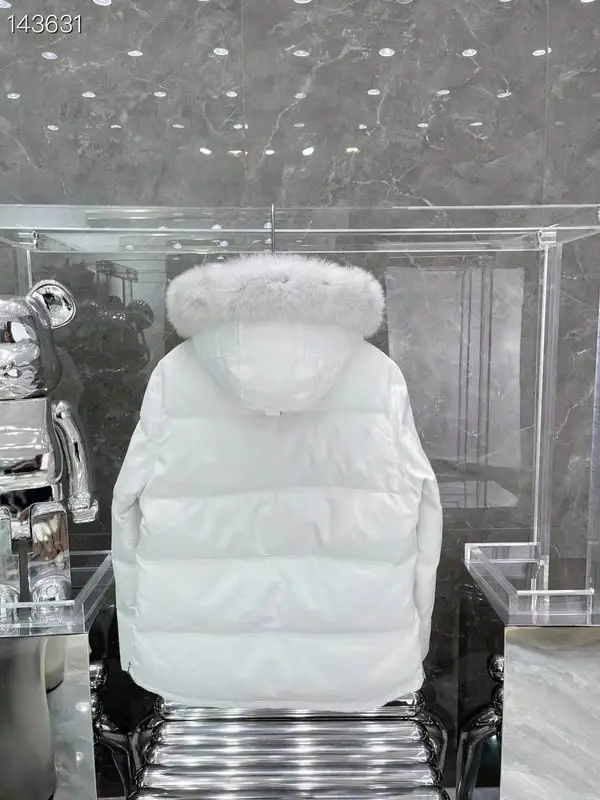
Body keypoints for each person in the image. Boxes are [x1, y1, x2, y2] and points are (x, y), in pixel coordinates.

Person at [112, 253, 442, 711]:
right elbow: (425, 505)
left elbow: (127, 504)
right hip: (360, 663)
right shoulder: (379, 373)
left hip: (193, 665)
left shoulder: (174, 372)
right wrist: (414, 636)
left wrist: (134, 638)